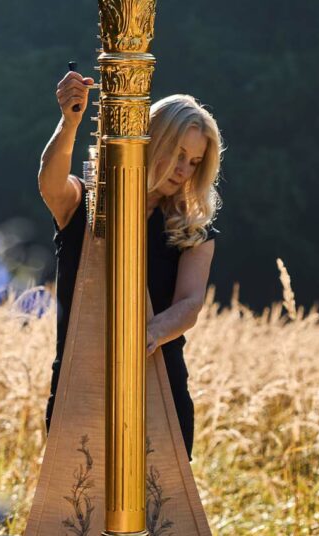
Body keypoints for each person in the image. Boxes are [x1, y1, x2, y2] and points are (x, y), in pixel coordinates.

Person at [38, 69, 223, 459]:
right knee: (74, 516)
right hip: (80, 385)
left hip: (161, 392)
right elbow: (50, 183)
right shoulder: (87, 204)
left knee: (160, 518)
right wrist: (70, 122)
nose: (183, 170)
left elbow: (189, 305)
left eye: (194, 162)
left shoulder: (192, 230)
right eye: (178, 154)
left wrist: (145, 336)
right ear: (151, 141)